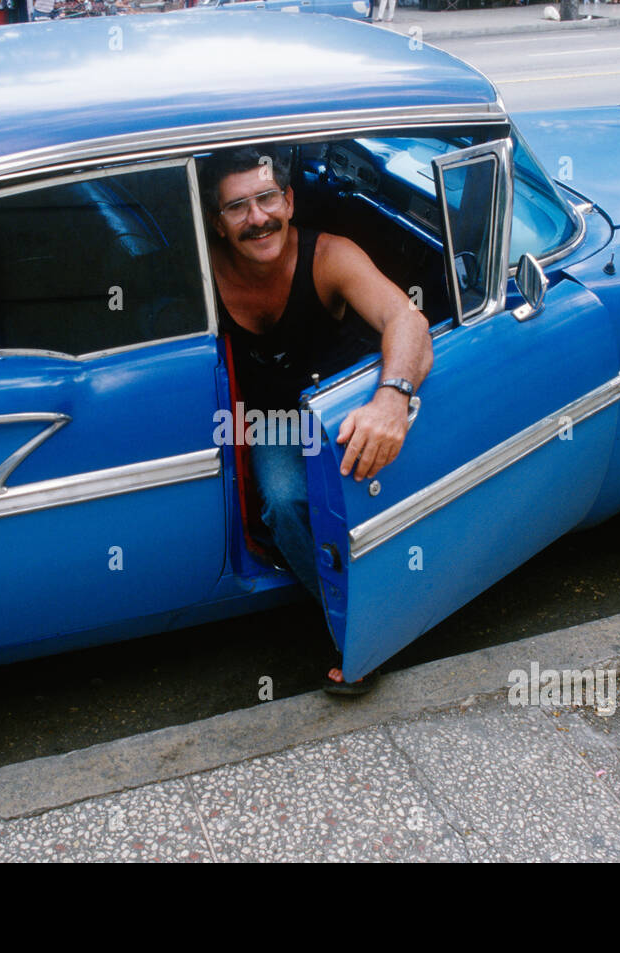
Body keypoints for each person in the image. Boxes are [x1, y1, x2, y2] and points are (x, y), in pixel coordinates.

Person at [200, 146, 433, 695]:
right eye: (237, 207)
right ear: (216, 221)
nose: (257, 218)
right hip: (271, 421)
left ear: (289, 199)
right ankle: (356, 623)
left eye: (266, 198)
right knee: (284, 502)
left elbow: (407, 318)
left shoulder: (329, 256)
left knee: (350, 493)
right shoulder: (203, 270)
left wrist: (392, 399)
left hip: (337, 406)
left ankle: (371, 630)